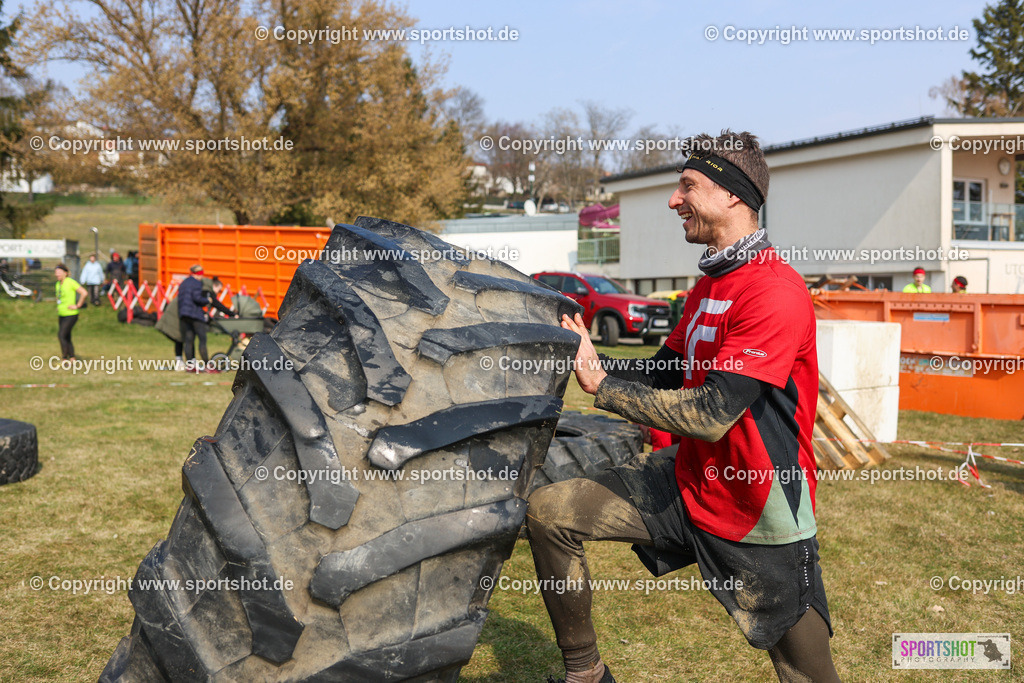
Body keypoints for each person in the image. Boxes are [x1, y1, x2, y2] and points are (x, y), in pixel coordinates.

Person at [526, 130, 839, 683]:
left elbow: (711, 414)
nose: (674, 201)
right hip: (690, 481)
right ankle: (586, 675)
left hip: (758, 507)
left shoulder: (774, 292)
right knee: (550, 512)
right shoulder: (709, 287)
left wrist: (602, 387)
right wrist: (590, 357)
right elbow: (663, 369)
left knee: (806, 673)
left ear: (732, 196)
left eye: (687, 187)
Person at [177, 265, 234, 371]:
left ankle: (190, 366)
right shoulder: (196, 283)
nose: (201, 277)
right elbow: (197, 298)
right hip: (195, 314)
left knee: (189, 340)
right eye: (200, 274)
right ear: (196, 274)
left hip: (184, 314)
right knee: (202, 339)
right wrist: (208, 300)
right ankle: (208, 366)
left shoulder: (184, 283)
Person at [54, 263, 87, 360]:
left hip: (71, 314)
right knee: (67, 336)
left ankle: (65, 358)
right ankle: (72, 357)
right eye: (56, 273)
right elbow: (59, 297)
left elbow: (84, 293)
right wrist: (58, 306)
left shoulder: (70, 282)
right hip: (62, 314)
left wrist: (78, 305)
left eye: (59, 272)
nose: (57, 274)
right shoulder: (57, 284)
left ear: (65, 273)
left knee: (61, 335)